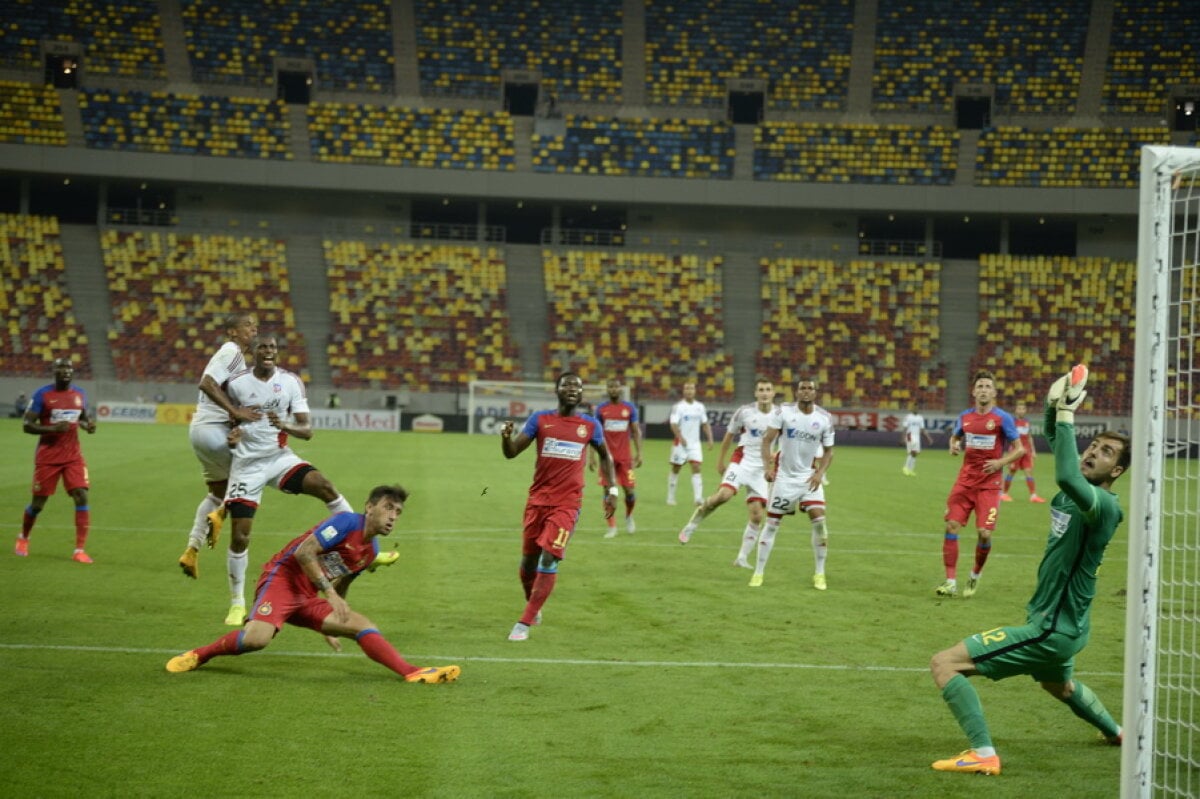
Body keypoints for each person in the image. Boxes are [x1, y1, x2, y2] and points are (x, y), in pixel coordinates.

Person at [930, 366, 1126, 776]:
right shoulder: (1084, 490)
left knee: (945, 664)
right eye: (1094, 445)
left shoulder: (1101, 505)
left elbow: (1067, 472)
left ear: (1117, 472)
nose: (1093, 452)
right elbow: (1057, 440)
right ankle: (1117, 732)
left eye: (1106, 452)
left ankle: (983, 754)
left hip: (1051, 629)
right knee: (1061, 686)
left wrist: (1069, 415)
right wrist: (1055, 406)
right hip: (1066, 625)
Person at [166, 484, 460, 685]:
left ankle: (412, 672)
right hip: (282, 580)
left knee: (361, 624)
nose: (393, 516)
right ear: (369, 507)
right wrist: (330, 594)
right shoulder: (346, 522)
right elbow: (303, 552)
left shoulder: (369, 551)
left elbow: (343, 582)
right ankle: (199, 654)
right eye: (388, 507)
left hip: (308, 595)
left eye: (398, 512)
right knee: (256, 640)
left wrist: (334, 623)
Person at [218, 334, 355, 626]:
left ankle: (356, 537)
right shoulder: (236, 383)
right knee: (240, 535)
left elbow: (307, 431)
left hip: (279, 458)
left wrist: (285, 425)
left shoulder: (291, 382)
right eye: (262, 347)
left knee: (324, 485)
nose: (268, 351)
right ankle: (236, 603)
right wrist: (230, 437)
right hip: (247, 466)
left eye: (272, 347)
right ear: (253, 352)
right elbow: (224, 422)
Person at [500, 372, 617, 642]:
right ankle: (533, 602)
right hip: (537, 501)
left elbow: (606, 457)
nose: (572, 389)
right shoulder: (540, 420)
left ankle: (524, 622)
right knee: (528, 560)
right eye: (567, 385)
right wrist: (505, 438)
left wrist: (612, 490)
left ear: (582, 394)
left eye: (577, 386)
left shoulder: (590, 425)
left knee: (549, 557)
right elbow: (511, 452)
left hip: (568, 504)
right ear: (557, 390)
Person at [178, 311, 261, 580]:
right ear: (232, 332)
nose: (254, 330)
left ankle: (192, 549)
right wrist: (235, 412)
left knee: (217, 490)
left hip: (200, 433)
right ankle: (222, 512)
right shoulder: (231, 352)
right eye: (247, 325)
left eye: (255, 326)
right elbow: (206, 383)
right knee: (255, 472)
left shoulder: (237, 361)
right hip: (213, 431)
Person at [936, 370, 1025, 599]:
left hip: (990, 484)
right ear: (974, 392)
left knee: (984, 533)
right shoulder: (965, 417)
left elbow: (1020, 449)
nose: (984, 389)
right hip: (965, 482)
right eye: (980, 386)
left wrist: (1000, 462)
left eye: (988, 386)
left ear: (994, 393)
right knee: (951, 526)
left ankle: (975, 575)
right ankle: (950, 582)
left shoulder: (1002, 418)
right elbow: (956, 436)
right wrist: (953, 445)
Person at [678, 378, 778, 571]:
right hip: (742, 462)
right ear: (756, 393)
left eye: (768, 389)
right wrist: (720, 461)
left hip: (761, 470)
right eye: (761, 390)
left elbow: (785, 440)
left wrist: (776, 456)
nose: (764, 393)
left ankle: (741, 558)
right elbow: (728, 436)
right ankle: (692, 525)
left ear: (773, 393)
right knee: (723, 496)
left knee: (757, 516)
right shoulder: (745, 412)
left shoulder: (780, 415)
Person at [15, 357, 97, 562]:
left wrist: (88, 425)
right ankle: (24, 537)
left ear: (72, 372)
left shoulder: (80, 394)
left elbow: (83, 417)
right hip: (48, 457)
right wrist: (52, 429)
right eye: (61, 367)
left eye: (68, 367)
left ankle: (79, 550)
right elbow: (27, 424)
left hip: (73, 456)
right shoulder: (43, 394)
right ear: (54, 371)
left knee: (81, 495)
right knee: (38, 504)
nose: (65, 371)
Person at [756, 377, 835, 589]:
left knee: (820, 522)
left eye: (810, 388)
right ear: (796, 392)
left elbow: (829, 452)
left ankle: (820, 573)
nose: (806, 391)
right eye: (802, 388)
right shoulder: (784, 412)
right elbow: (766, 440)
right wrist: (767, 467)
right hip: (783, 478)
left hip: (808, 478)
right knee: (772, 525)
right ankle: (758, 573)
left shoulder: (825, 418)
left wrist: (820, 473)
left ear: (815, 392)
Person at [590, 377, 643, 537]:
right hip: (607, 459)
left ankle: (628, 516)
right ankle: (612, 526)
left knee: (629, 492)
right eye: (610, 387)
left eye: (616, 386)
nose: (613, 389)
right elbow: (594, 433)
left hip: (625, 459)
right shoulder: (601, 409)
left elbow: (635, 431)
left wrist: (639, 452)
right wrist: (591, 456)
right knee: (609, 491)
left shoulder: (629, 408)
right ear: (607, 389)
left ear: (620, 389)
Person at [667, 380, 713, 506]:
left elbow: (705, 424)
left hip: (695, 444)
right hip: (680, 444)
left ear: (695, 391)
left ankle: (698, 498)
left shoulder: (700, 407)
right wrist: (680, 437)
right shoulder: (678, 407)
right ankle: (670, 497)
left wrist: (709, 438)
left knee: (696, 467)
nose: (689, 391)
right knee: (676, 468)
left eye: (691, 389)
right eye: (686, 389)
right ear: (683, 391)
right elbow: (673, 424)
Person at [1001, 400, 1045, 503]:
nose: (1021, 411)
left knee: (1029, 472)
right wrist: (1011, 450)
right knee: (1012, 471)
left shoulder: (1027, 422)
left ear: (1025, 410)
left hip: (1026, 451)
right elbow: (1008, 437)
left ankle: (1033, 496)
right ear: (1016, 410)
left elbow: (1029, 437)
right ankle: (1004, 494)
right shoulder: (1012, 421)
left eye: (1023, 409)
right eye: (1019, 409)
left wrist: (1033, 451)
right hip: (1016, 451)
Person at [901, 408, 934, 476]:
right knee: (912, 451)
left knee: (915, 453)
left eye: (917, 408)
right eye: (914, 408)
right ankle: (905, 467)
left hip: (917, 436)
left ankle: (910, 470)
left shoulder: (920, 418)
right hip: (909, 435)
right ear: (911, 409)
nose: (916, 409)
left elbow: (922, 429)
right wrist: (903, 438)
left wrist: (928, 438)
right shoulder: (908, 417)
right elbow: (905, 428)